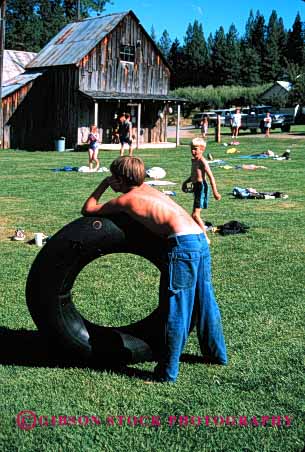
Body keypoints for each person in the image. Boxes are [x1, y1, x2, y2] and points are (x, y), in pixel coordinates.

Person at [81, 156, 227, 383]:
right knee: (205, 301)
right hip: (199, 238)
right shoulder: (149, 190)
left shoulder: (126, 200)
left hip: (181, 244)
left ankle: (168, 372)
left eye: (113, 178)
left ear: (119, 179)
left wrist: (103, 185)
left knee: (177, 306)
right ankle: (218, 355)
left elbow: (88, 209)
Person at [182, 138, 221, 245]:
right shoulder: (194, 161)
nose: (193, 151)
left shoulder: (203, 162)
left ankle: (205, 238)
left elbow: (211, 177)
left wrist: (215, 192)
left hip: (201, 188)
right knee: (194, 214)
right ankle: (197, 234)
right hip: (196, 187)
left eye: (195, 149)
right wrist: (185, 182)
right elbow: (194, 175)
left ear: (202, 149)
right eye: (191, 149)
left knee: (195, 215)